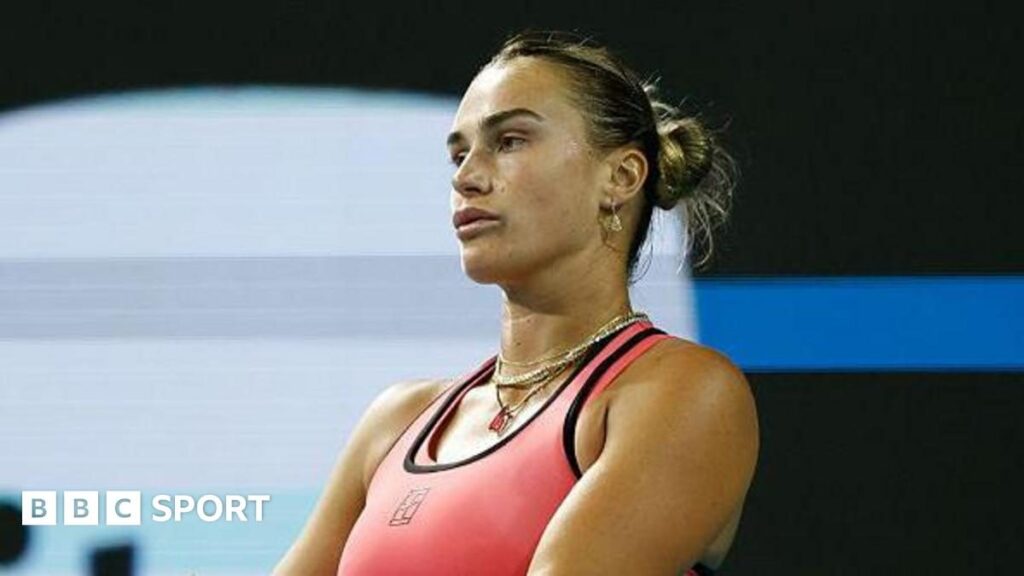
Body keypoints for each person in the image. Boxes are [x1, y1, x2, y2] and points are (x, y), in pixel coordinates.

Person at [273, 30, 759, 576]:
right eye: (459, 154)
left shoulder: (683, 392)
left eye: (509, 141)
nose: (466, 177)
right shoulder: (396, 421)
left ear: (620, 177)